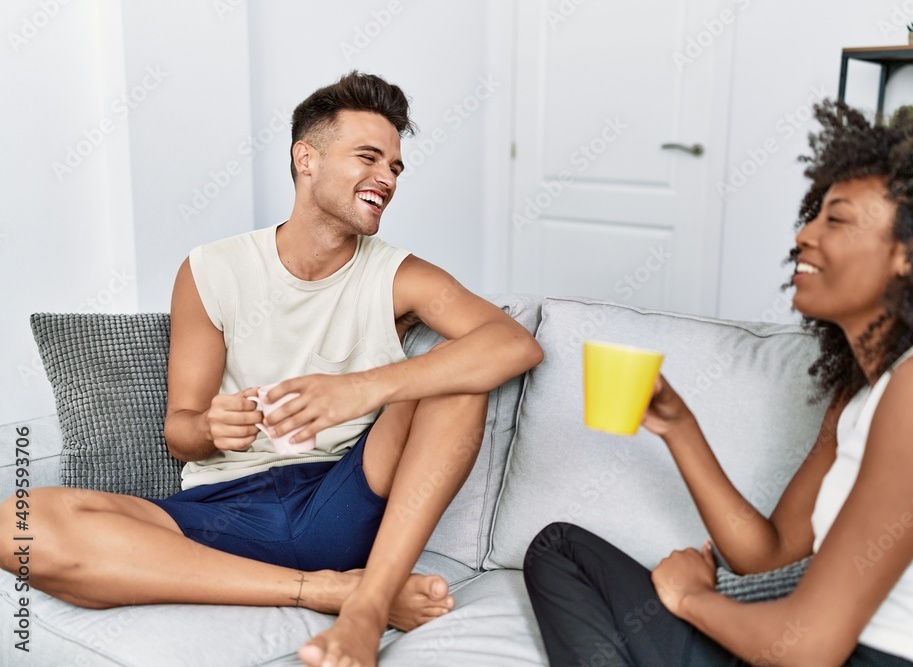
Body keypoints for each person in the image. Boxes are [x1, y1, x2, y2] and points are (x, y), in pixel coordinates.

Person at [0, 71, 542, 667]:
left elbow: (513, 345)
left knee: (459, 375)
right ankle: (335, 591)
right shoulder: (213, 271)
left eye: (395, 167)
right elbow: (180, 433)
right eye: (369, 157)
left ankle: (368, 606)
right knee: (18, 526)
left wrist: (360, 389)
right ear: (305, 158)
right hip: (224, 509)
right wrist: (210, 428)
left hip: (344, 497)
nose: (387, 178)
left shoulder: (400, 275)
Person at [523, 100, 913, 666]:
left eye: (837, 219)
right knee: (560, 549)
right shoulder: (866, 395)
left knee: (569, 556)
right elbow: (769, 558)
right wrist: (680, 428)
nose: (804, 235)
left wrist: (692, 596)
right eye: (814, 214)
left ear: (912, 252)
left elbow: (811, 648)